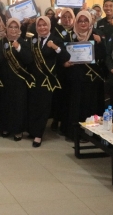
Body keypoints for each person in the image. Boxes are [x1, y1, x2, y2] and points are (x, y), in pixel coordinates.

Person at [28, 16, 70, 147]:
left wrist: (55, 47)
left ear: (49, 26)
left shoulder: (56, 40)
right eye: (39, 25)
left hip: (47, 80)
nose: (42, 28)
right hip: (35, 78)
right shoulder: (34, 40)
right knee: (34, 106)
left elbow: (66, 56)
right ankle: (33, 130)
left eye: (44, 25)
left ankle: (39, 135)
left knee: (44, 107)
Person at [63, 11, 106, 139]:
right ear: (76, 22)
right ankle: (73, 133)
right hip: (75, 77)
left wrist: (99, 43)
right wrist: (65, 63)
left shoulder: (96, 36)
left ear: (90, 22)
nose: (83, 23)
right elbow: (63, 55)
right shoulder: (70, 36)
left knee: (88, 106)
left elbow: (103, 55)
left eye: (85, 21)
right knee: (75, 105)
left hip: (90, 78)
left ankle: (87, 134)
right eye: (80, 21)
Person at [0, 18, 34, 141]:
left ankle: (18, 130)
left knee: (18, 106)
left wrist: (18, 48)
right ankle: (6, 127)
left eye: (15, 27)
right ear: (6, 28)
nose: (13, 30)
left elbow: (28, 59)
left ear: (19, 29)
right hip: (5, 79)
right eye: (11, 27)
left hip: (19, 80)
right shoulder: (2, 41)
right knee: (5, 104)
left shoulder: (23, 42)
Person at [50, 7, 74, 135]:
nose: (67, 19)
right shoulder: (56, 31)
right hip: (60, 67)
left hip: (74, 68)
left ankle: (66, 121)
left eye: (69, 17)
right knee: (59, 95)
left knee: (69, 96)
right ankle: (56, 119)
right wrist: (55, 16)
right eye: (64, 17)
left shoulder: (78, 31)